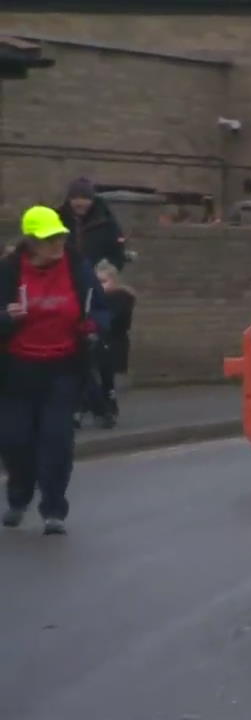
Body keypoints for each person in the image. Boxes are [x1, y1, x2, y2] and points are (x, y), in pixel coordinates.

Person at [0, 206, 111, 535]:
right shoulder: (7, 272)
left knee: (56, 440)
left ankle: (53, 509)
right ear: (30, 242)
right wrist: (6, 317)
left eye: (60, 236)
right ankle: (19, 498)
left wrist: (93, 326)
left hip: (63, 366)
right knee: (15, 439)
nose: (57, 244)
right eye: (49, 239)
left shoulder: (77, 268)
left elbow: (101, 307)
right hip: (17, 368)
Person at [79, 260, 136, 429]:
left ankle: (107, 408)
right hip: (98, 341)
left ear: (114, 280)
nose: (100, 286)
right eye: (98, 282)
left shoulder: (120, 297)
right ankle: (96, 407)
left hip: (113, 343)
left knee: (106, 377)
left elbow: (111, 319)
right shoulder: (96, 300)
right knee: (95, 375)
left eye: (104, 281)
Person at [57, 178, 128, 272]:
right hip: (64, 275)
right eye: (75, 198)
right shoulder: (58, 220)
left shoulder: (107, 222)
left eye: (85, 198)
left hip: (96, 277)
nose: (80, 203)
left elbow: (117, 253)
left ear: (93, 200)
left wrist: (109, 268)